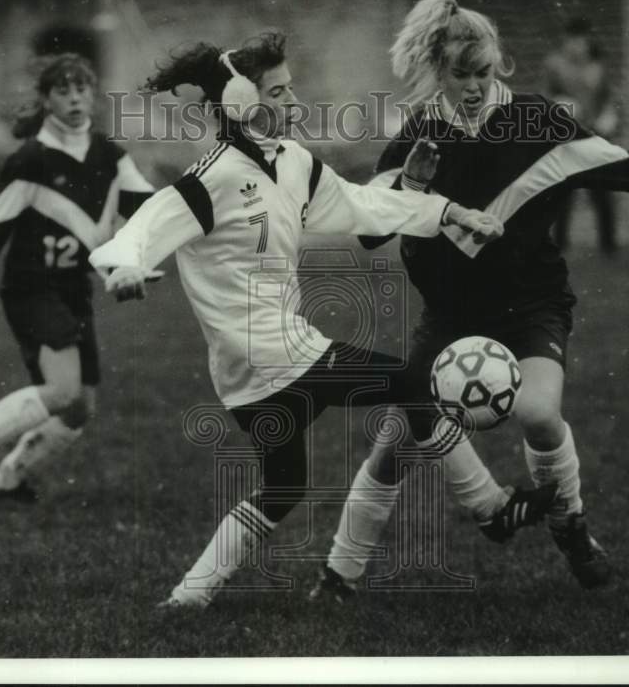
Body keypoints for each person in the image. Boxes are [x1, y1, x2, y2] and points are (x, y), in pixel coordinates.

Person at [311, 0, 629, 599]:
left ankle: (570, 523)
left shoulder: (540, 123)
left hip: (530, 304)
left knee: (537, 412)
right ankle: (340, 574)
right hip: (450, 316)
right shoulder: (418, 136)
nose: (475, 86)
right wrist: (414, 183)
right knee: (397, 441)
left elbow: (628, 166)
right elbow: (371, 233)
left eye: (484, 72)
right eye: (460, 75)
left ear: (499, 65)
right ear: (435, 72)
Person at [87, 32, 519, 609]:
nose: (294, 101)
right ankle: (489, 506)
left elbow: (363, 207)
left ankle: (187, 598)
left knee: (286, 486)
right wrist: (124, 269)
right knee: (415, 382)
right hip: (275, 353)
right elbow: (138, 232)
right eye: (280, 91)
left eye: (292, 88)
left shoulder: (293, 163)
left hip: (254, 368)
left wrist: (441, 206)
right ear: (242, 103)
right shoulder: (210, 179)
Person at [0, 53, 155, 508]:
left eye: (81, 88)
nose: (75, 98)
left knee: (79, 409)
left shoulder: (110, 156)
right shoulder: (31, 160)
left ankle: (8, 478)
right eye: (62, 90)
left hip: (73, 290)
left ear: (93, 95)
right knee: (61, 390)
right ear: (45, 100)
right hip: (30, 289)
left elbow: (154, 211)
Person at [545, 16, 621, 254]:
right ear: (565, 41)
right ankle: (559, 245)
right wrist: (560, 105)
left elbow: (610, 98)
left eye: (581, 40)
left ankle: (608, 246)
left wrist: (609, 115)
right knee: (563, 192)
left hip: (594, 136)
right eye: (572, 40)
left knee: (602, 191)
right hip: (566, 137)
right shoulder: (555, 64)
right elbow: (546, 96)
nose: (577, 45)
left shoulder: (597, 65)